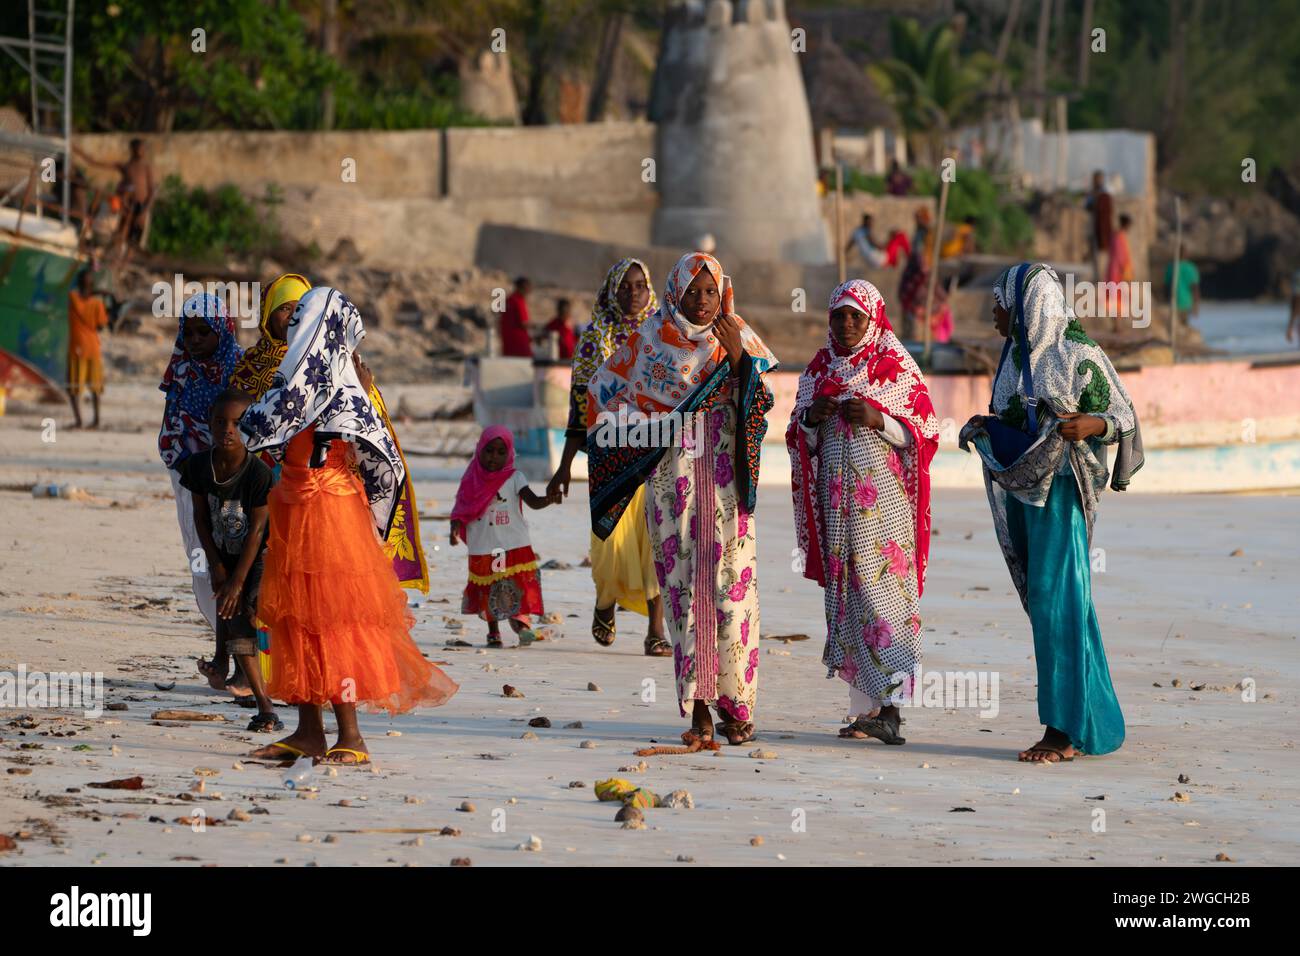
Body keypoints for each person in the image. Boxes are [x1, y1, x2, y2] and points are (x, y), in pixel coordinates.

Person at [239, 287, 457, 764]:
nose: (293, 324)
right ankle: (308, 733)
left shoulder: (334, 383)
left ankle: (351, 736)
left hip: (328, 512)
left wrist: (370, 523)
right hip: (295, 505)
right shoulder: (303, 378)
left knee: (332, 620)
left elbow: (260, 428)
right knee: (299, 620)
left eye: (301, 317)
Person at [585, 252, 779, 746]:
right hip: (674, 487)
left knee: (732, 595)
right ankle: (698, 708)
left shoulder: (737, 336)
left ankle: (736, 706)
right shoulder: (650, 342)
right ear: (674, 292)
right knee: (684, 594)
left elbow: (762, 405)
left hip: (727, 486)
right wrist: (649, 437)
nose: (702, 301)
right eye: (692, 291)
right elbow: (602, 394)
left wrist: (738, 359)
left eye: (710, 291)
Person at [959, 263, 1142, 763]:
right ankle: (1092, 720)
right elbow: (1015, 419)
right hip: (1027, 497)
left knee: (1057, 602)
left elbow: (1123, 415)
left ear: (1026, 306)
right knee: (1056, 603)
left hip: (1063, 497)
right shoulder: (1015, 359)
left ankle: (1060, 731)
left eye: (1000, 303)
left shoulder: (1079, 352)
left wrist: (1091, 425)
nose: (995, 313)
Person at [788, 280, 940, 745]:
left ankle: (892, 711)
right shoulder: (819, 368)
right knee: (848, 598)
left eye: (857, 316)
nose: (847, 324)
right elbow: (798, 435)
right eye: (839, 316)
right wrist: (812, 418)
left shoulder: (892, 364)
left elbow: (925, 429)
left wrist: (879, 419)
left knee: (885, 597)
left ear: (873, 318)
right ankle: (864, 713)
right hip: (838, 508)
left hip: (884, 509)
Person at [548, 258, 669, 656]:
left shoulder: (663, 336)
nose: (633, 293)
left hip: (654, 450)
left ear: (650, 291)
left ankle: (656, 629)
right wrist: (564, 466)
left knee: (655, 537)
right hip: (608, 453)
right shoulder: (593, 339)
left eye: (640, 286)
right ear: (611, 292)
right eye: (625, 286)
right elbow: (579, 407)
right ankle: (606, 600)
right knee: (611, 539)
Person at [180, 389, 279, 731]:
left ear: (249, 426)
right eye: (220, 422)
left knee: (242, 612)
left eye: (237, 423)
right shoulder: (197, 466)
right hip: (221, 552)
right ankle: (243, 684)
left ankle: (261, 698)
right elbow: (200, 518)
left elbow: (258, 530)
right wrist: (218, 566)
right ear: (209, 423)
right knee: (230, 609)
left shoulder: (258, 473)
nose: (228, 430)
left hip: (258, 555)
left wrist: (237, 579)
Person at [159, 292, 243, 631]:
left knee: (236, 556)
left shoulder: (242, 369)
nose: (194, 339)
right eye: (188, 331)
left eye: (203, 331)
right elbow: (171, 431)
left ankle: (242, 643)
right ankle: (222, 637)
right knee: (201, 554)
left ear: (222, 329)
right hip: (191, 479)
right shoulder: (181, 371)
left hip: (235, 481)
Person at [450, 427, 560, 646]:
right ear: (480, 449)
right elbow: (460, 508)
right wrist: (455, 528)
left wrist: (549, 499)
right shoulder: (471, 478)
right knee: (490, 587)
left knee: (513, 584)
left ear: (509, 453)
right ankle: (494, 632)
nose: (494, 457)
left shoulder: (515, 477)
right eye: (489, 451)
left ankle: (521, 625)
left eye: (501, 452)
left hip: (512, 545)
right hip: (486, 547)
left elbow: (533, 501)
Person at [76, 138, 155, 257]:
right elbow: (95, 162)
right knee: (120, 233)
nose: (142, 151)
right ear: (133, 149)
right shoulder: (126, 166)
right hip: (126, 206)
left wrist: (144, 210)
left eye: (143, 149)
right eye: (139, 148)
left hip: (141, 208)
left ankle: (123, 261)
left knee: (135, 240)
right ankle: (109, 257)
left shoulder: (146, 168)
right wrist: (77, 151)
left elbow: (152, 191)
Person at [66, 270, 110, 430]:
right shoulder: (97, 303)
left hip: (77, 347)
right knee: (95, 387)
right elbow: (101, 325)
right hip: (93, 348)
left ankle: (79, 421)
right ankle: (96, 421)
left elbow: (75, 293)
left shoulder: (73, 297)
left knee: (74, 388)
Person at [898, 208, 944, 339]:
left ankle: (924, 334)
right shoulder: (919, 234)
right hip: (915, 272)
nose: (917, 221)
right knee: (909, 302)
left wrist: (924, 266)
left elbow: (925, 254)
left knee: (927, 302)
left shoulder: (928, 234)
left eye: (919, 218)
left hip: (923, 271)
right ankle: (911, 335)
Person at [1105, 213, 1135, 331]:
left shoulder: (1117, 236)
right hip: (1117, 272)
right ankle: (1117, 325)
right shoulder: (1118, 237)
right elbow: (1120, 257)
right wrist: (1126, 273)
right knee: (1117, 297)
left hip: (1116, 270)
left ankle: (1117, 325)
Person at [1085, 170, 1113, 283]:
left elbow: (1107, 212)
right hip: (1093, 226)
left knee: (1102, 255)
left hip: (1101, 229)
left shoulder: (1104, 194)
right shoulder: (1092, 193)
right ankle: (1096, 277)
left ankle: (1102, 278)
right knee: (1094, 255)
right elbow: (1088, 206)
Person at [1164, 244, 1200, 320]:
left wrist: (1166, 301)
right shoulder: (1190, 268)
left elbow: (1166, 286)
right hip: (1184, 303)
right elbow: (1195, 288)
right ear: (1186, 254)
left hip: (1175, 302)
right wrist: (1196, 305)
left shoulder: (1171, 266)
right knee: (1182, 322)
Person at [501, 277, 534, 358]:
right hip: (519, 344)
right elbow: (523, 323)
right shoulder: (518, 301)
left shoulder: (508, 300)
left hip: (508, 343)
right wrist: (535, 327)